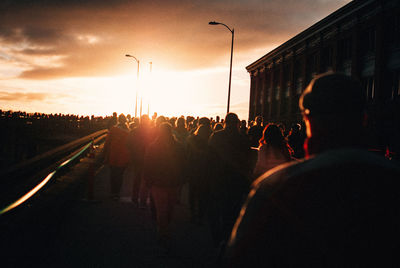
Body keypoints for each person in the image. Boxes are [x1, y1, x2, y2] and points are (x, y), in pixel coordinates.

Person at [224, 73, 400, 267]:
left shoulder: (276, 188)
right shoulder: (391, 180)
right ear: (364, 119)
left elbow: (239, 257)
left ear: (307, 119)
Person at [208, 113, 252, 248]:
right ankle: (228, 238)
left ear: (225, 122)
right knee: (233, 211)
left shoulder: (216, 136)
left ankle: (218, 238)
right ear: (238, 122)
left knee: (216, 209)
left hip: (218, 178)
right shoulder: (243, 138)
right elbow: (248, 161)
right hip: (237, 180)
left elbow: (208, 159)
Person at [143, 122, 185, 247]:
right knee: (170, 209)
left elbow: (147, 165)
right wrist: (182, 180)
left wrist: (148, 181)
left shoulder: (152, 147)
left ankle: (162, 234)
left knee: (161, 209)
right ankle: (164, 232)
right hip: (173, 183)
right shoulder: (179, 147)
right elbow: (184, 165)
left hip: (158, 183)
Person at [127, 114, 155, 207]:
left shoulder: (134, 131)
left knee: (137, 178)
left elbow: (129, 144)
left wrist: (132, 155)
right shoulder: (152, 131)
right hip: (148, 158)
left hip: (137, 158)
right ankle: (144, 199)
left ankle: (135, 198)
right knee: (147, 179)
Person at [103, 114, 130, 200]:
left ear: (118, 120)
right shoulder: (128, 131)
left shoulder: (113, 129)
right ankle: (117, 193)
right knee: (120, 175)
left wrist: (105, 154)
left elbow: (107, 143)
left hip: (113, 155)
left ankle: (113, 192)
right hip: (124, 157)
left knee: (113, 174)